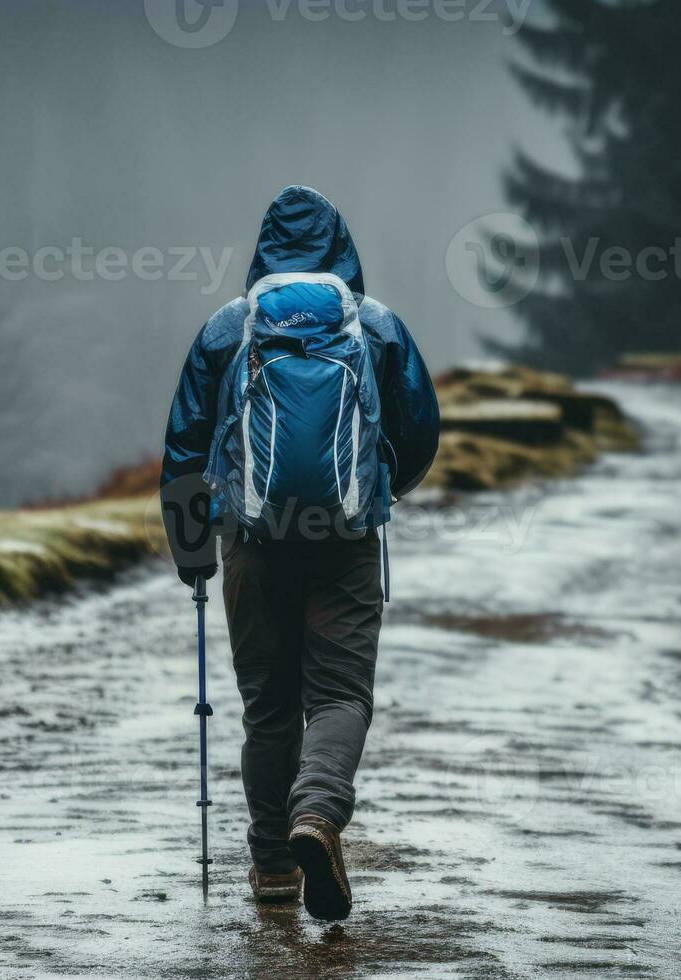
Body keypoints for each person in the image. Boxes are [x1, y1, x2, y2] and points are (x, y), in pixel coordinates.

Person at [160, 185, 441, 920]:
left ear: (262, 254)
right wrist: (380, 493)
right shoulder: (373, 325)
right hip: (344, 540)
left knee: (268, 707)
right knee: (340, 694)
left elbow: (186, 447)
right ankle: (316, 814)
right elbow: (418, 431)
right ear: (342, 249)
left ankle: (273, 867)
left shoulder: (228, 328)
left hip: (251, 540)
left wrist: (193, 552)